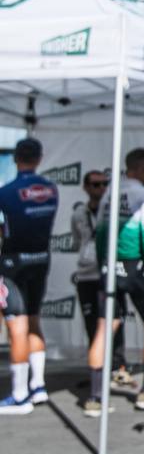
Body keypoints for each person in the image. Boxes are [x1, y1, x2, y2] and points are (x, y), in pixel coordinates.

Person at [87, 147, 144, 417]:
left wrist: (104, 266)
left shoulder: (111, 191)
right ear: (141, 168)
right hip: (134, 267)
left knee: (104, 328)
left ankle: (95, 397)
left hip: (111, 267)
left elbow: (99, 234)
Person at [0, 137, 58, 415]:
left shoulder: (7, 192)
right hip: (41, 260)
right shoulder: (51, 189)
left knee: (17, 327)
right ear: (39, 158)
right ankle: (38, 386)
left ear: (16, 158)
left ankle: (20, 394)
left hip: (14, 264)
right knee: (33, 320)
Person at [70, 169, 129, 387]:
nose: (101, 188)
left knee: (115, 321)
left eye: (104, 184)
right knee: (92, 324)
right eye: (95, 184)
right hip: (87, 275)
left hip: (110, 273)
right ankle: (97, 370)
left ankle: (118, 366)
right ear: (86, 187)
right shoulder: (78, 214)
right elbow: (77, 240)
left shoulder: (114, 210)